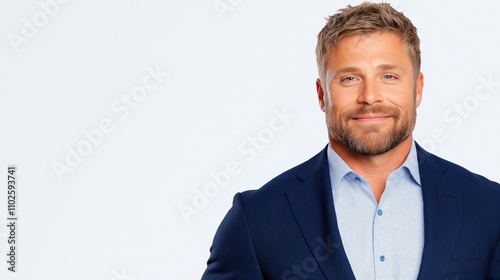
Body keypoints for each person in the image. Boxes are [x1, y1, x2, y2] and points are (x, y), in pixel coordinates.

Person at [201, 3, 500, 279]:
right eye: (349, 79)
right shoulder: (256, 219)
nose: (370, 97)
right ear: (321, 95)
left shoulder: (488, 207)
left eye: (389, 77)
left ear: (417, 88)